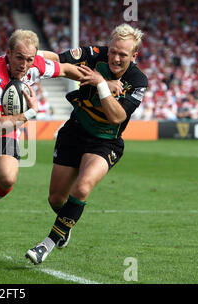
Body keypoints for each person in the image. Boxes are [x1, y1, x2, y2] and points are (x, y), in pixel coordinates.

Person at [0, 29, 83, 267]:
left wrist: (99, 81)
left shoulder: (36, 65)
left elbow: (65, 69)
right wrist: (30, 113)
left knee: (7, 177)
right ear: (8, 53)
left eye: (29, 59)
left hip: (6, 122)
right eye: (19, 57)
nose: (24, 64)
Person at [25, 23, 148, 265]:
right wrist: (30, 54)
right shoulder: (93, 54)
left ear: (134, 56)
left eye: (123, 54)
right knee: (56, 199)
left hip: (105, 142)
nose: (115, 57)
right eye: (113, 51)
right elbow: (58, 59)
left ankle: (45, 245)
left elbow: (117, 117)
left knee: (81, 188)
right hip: (74, 132)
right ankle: (65, 224)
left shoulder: (138, 81)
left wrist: (101, 84)